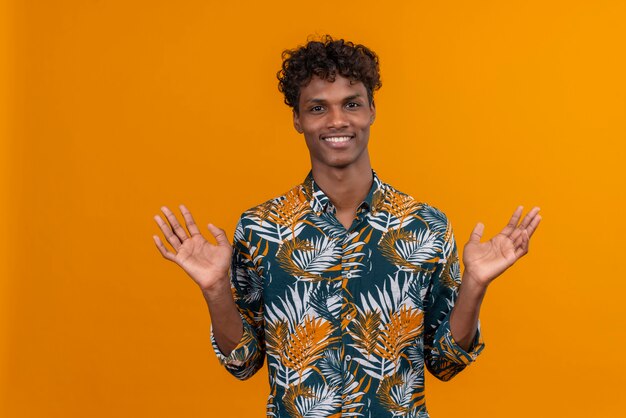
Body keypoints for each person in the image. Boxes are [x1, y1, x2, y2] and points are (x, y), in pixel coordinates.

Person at [153, 36, 541, 417]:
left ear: (371, 109)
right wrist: (216, 289)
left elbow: (445, 362)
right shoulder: (261, 228)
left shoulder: (425, 226)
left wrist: (475, 285)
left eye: (351, 104)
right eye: (318, 108)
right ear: (297, 120)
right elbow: (244, 363)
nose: (337, 120)